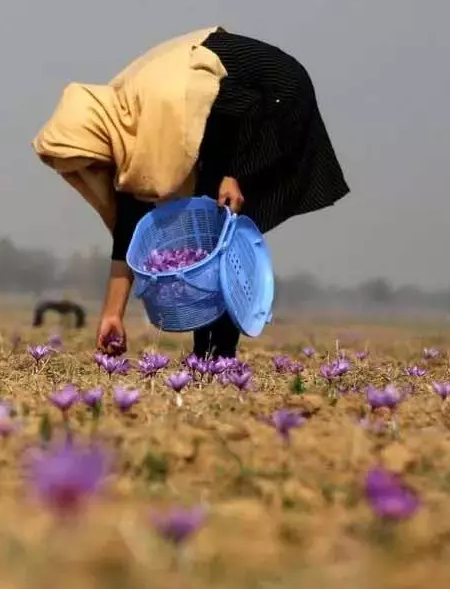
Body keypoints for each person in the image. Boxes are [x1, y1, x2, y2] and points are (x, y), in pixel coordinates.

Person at [33, 27, 348, 358]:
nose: (96, 172)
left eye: (94, 162)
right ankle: (212, 356)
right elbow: (130, 223)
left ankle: (215, 358)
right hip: (228, 126)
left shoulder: (163, 99)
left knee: (217, 235)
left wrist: (234, 172)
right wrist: (112, 314)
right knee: (209, 232)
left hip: (275, 97)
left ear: (97, 135)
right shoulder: (129, 128)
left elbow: (242, 104)